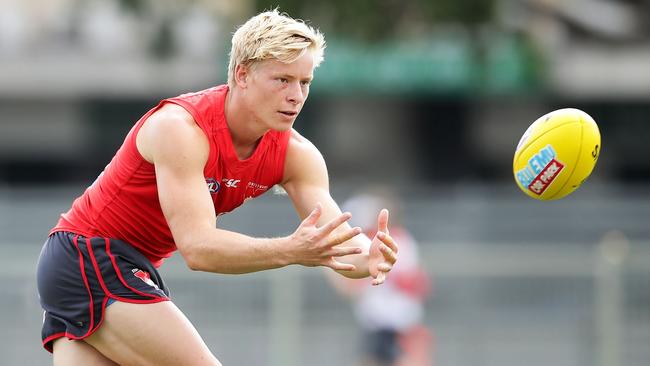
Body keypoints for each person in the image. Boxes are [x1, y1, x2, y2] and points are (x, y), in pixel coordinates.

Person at [36, 9, 399, 366]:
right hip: (88, 258)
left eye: (304, 82)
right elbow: (199, 248)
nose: (296, 95)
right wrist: (289, 250)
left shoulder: (297, 155)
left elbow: (336, 242)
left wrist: (369, 257)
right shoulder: (181, 129)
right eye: (282, 80)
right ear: (242, 75)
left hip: (119, 268)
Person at [331, 188, 432, 366]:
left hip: (391, 319)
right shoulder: (401, 240)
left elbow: (352, 287)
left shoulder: (391, 242)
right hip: (384, 319)